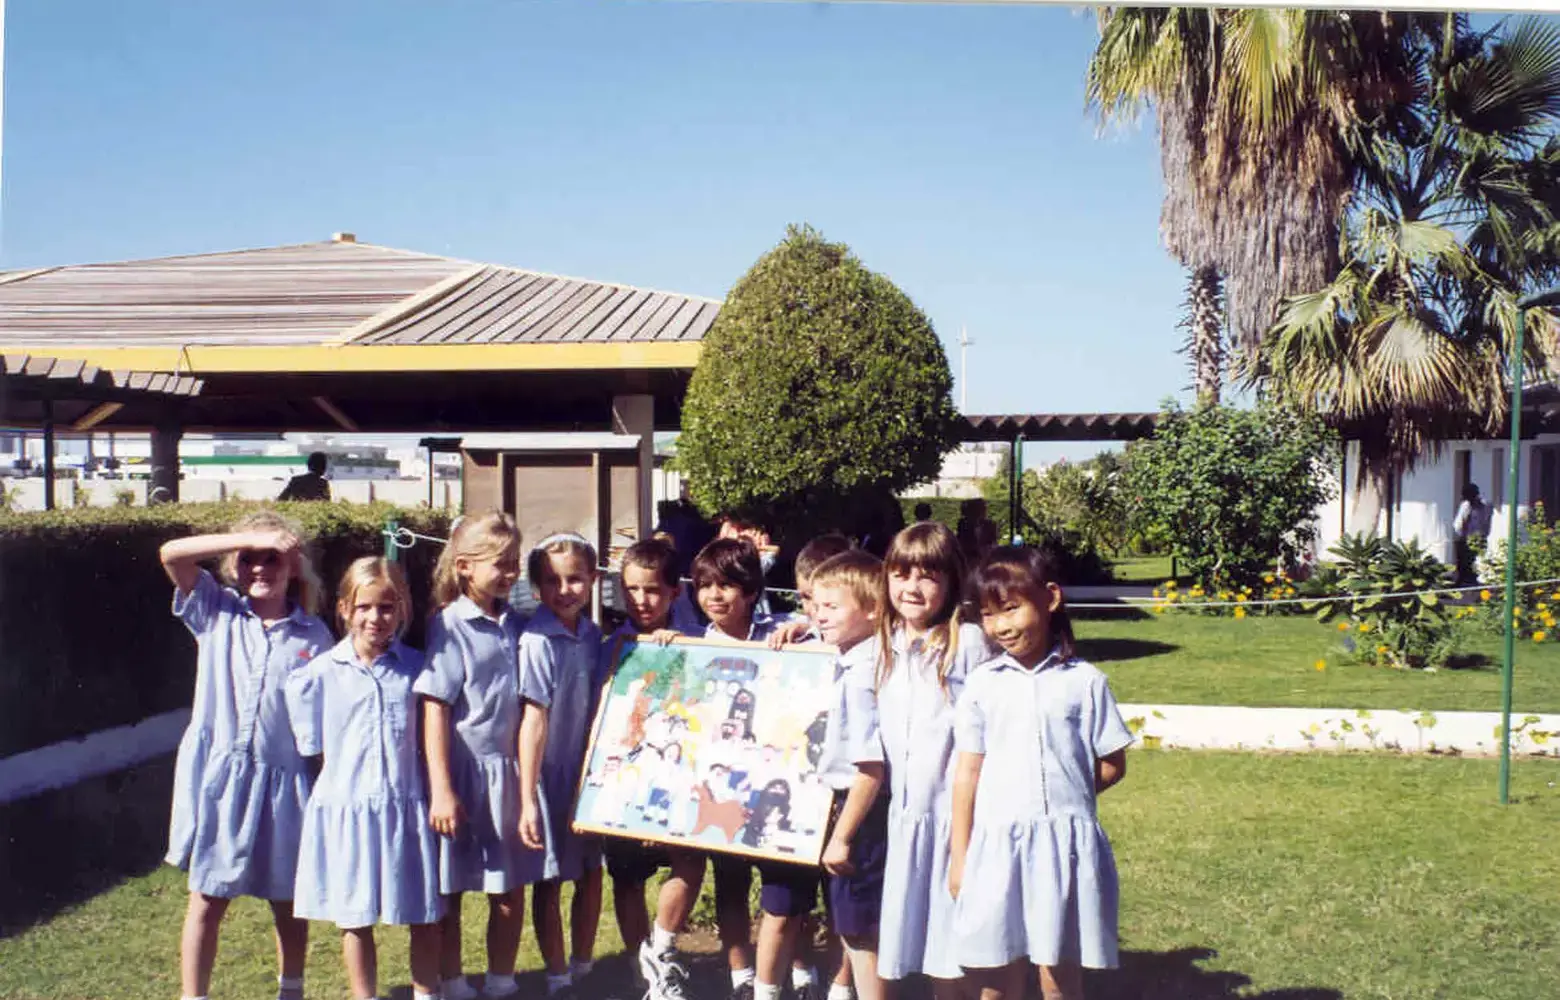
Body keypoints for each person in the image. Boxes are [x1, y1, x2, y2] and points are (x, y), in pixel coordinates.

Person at [159, 511, 334, 1000]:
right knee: (208, 898)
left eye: (273, 558)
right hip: (223, 783)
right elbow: (172, 553)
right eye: (249, 559)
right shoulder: (216, 612)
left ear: (294, 565)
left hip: (286, 782)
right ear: (235, 564)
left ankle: (291, 989)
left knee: (287, 899)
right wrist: (251, 536)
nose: (261, 568)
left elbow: (320, 717)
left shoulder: (314, 635)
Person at [949, 547, 1133, 1000]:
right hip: (996, 848)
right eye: (989, 615)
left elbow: (1112, 763)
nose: (1001, 626)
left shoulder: (1085, 681)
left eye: (1011, 608)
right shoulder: (982, 684)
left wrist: (1065, 799)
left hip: (1064, 850)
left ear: (1050, 598)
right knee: (997, 969)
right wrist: (959, 856)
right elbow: (967, 773)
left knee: (1060, 973)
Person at [643, 537, 812, 1000]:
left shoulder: (780, 631)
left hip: (776, 783)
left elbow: (819, 634)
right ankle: (740, 976)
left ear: (753, 591)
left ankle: (789, 972)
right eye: (705, 586)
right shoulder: (696, 646)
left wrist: (799, 630)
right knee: (731, 885)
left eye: (727, 585)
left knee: (783, 888)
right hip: (724, 788)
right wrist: (666, 647)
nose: (715, 595)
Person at [286, 557, 443, 1000]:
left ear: (403, 610)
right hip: (348, 807)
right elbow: (311, 746)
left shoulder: (417, 668)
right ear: (344, 609)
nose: (376, 618)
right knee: (354, 915)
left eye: (387, 608)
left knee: (423, 911)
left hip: (405, 803)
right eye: (365, 608)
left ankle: (427, 993)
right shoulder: (320, 673)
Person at [874, 522, 996, 998]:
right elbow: (832, 621)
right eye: (901, 575)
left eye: (927, 576)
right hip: (904, 815)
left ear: (951, 581)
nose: (912, 587)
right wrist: (799, 627)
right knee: (916, 938)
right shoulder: (885, 641)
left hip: (951, 816)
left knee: (951, 943)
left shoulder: (967, 644)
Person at [414, 513, 527, 1000]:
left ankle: (502, 978)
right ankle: (453, 979)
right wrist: (442, 789)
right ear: (464, 567)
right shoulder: (449, 624)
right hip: (462, 772)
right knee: (452, 886)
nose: (510, 574)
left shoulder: (519, 624)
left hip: (509, 771)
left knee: (508, 886)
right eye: (500, 564)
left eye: (515, 564)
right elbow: (435, 708)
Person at [599, 538, 704, 979]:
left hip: (676, 779)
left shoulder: (694, 645)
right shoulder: (609, 645)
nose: (642, 600)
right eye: (633, 589)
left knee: (690, 861)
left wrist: (676, 651)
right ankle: (642, 968)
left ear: (674, 592)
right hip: (624, 779)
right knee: (627, 876)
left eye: (652, 590)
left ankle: (661, 946)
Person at [519, 534, 607, 998]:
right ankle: (556, 974)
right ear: (536, 586)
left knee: (591, 873)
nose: (565, 589)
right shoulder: (535, 640)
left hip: (588, 776)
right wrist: (528, 794)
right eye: (552, 580)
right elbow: (534, 718)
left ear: (593, 580)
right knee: (549, 880)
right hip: (547, 777)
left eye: (575, 578)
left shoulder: (594, 636)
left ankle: (585, 963)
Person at [805, 550, 892, 1000]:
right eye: (815, 606)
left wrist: (842, 835)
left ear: (874, 610)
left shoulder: (862, 676)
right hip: (853, 810)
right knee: (854, 926)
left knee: (861, 931)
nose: (819, 615)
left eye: (831, 606)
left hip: (859, 813)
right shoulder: (855, 656)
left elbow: (870, 768)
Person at [1453, 482, 1493, 587]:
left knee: (1471, 566)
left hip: (1472, 539)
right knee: (1468, 566)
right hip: (1472, 539)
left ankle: (1470, 585)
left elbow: (1458, 525)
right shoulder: (1476, 506)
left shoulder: (1480, 506)